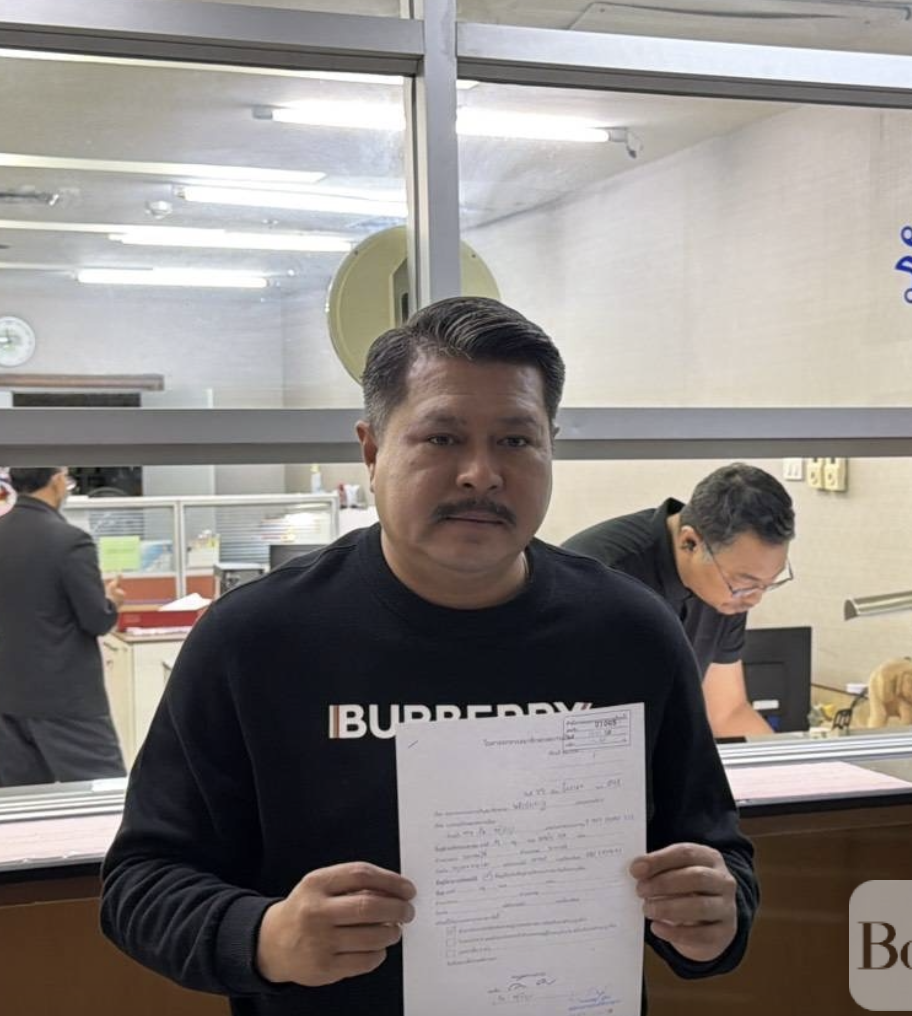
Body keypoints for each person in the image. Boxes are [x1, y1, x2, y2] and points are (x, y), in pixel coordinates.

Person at [100, 297, 758, 1015]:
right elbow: (142, 881)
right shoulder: (255, 639)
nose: (481, 473)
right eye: (442, 438)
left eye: (516, 440)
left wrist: (715, 919)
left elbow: (715, 850)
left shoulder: (632, 633)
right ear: (372, 450)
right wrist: (265, 937)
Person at [563, 464, 794, 737]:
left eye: (769, 583)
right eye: (745, 583)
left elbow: (727, 713)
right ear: (690, 542)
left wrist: (795, 761)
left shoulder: (727, 593)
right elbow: (574, 722)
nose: (755, 598)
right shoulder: (601, 581)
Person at [0, 466, 128, 787]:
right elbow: (96, 620)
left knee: (21, 801)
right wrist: (111, 601)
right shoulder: (70, 541)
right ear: (56, 480)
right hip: (64, 695)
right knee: (101, 794)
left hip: (4, 691)